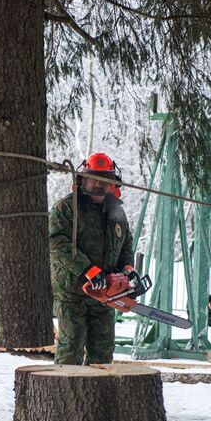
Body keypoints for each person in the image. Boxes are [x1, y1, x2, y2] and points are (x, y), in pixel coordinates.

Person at [49, 152, 134, 365]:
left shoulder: (116, 212)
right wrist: (87, 269)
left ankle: (98, 395)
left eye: (104, 181)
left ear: (112, 184)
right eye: (94, 179)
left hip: (105, 294)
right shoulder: (67, 208)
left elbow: (125, 244)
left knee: (103, 350)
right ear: (82, 180)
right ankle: (65, 394)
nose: (98, 185)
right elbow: (56, 243)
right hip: (72, 291)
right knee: (71, 347)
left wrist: (126, 268)